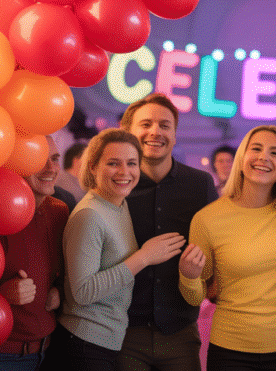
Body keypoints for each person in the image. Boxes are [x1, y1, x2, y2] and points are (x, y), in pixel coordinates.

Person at [49, 129, 187, 371]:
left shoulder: (118, 205)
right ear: (92, 167)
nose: (125, 172)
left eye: (132, 163)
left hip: (104, 342)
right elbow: (82, 292)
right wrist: (143, 257)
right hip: (83, 343)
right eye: (113, 163)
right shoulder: (89, 215)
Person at [178, 126, 276, 370]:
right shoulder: (208, 219)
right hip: (229, 349)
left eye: (275, 152)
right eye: (255, 148)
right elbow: (196, 297)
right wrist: (188, 275)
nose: (263, 157)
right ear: (242, 157)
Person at [118, 93, 219, 371]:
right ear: (128, 133)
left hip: (180, 330)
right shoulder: (116, 185)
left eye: (165, 125)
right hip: (124, 330)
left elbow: (217, 246)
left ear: (174, 135)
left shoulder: (199, 184)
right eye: (146, 124)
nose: (155, 132)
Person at [0, 136, 69, 371]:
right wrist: (1, 295)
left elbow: (66, 273)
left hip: (49, 351)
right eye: (38, 160)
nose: (51, 168)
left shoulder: (59, 211)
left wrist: (59, 291)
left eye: (55, 159)